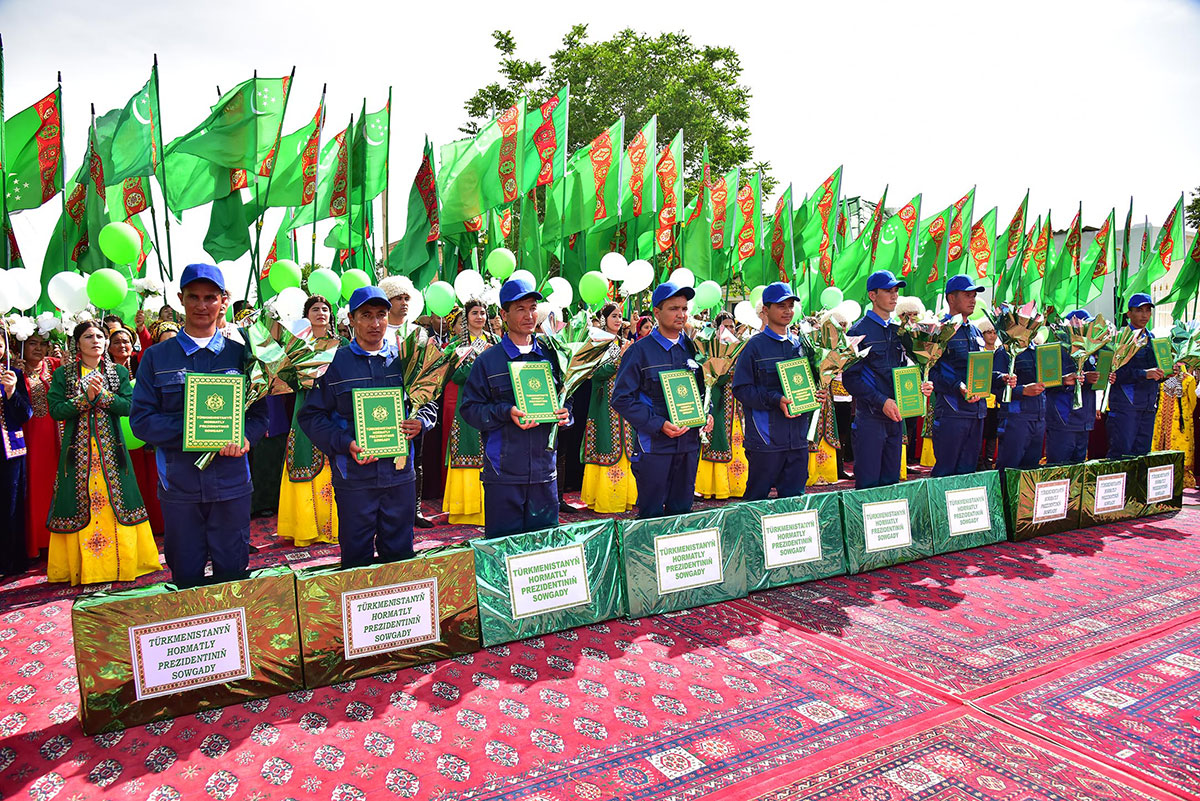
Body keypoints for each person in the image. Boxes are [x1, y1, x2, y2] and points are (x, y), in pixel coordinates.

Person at [131, 264, 269, 588]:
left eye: (210, 297)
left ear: (223, 301)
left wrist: (245, 438)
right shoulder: (156, 358)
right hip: (180, 486)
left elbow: (261, 414)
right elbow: (141, 421)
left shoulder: (244, 356)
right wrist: (195, 430)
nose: (202, 305)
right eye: (193, 297)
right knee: (186, 576)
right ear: (181, 299)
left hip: (232, 482)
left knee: (233, 574)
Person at [299, 287, 437, 567]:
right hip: (355, 477)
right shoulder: (333, 363)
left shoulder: (406, 359)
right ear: (351, 318)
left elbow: (429, 401)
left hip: (399, 476)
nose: (375, 324)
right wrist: (343, 443)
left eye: (381, 315)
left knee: (400, 554)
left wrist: (421, 422)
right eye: (366, 316)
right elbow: (311, 416)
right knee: (356, 556)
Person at [48, 321, 160, 585]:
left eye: (101, 336)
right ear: (78, 343)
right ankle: (83, 569)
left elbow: (129, 406)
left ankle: (125, 564)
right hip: (77, 457)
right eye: (89, 336)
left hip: (113, 454)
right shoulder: (63, 376)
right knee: (78, 503)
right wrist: (84, 398)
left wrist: (101, 397)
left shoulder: (117, 373)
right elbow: (56, 410)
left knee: (118, 502)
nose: (96, 340)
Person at [458, 278, 571, 538]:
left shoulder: (552, 356)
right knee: (503, 548)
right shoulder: (488, 361)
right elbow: (470, 409)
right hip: (504, 474)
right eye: (520, 309)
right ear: (503, 314)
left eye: (532, 308)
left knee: (543, 548)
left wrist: (566, 414)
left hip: (544, 472)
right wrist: (505, 412)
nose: (529, 315)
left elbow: (567, 396)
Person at [611, 282, 713, 519]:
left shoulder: (694, 348)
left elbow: (705, 388)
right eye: (673, 308)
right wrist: (657, 424)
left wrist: (707, 414)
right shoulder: (640, 351)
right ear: (656, 312)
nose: (681, 314)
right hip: (654, 446)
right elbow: (622, 398)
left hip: (688, 444)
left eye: (684, 309)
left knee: (682, 511)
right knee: (651, 514)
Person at [732, 282, 828, 500]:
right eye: (781, 306)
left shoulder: (802, 345)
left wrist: (818, 393)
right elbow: (741, 389)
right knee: (756, 499)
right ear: (765, 310)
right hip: (766, 439)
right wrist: (776, 399)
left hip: (798, 438)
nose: (787, 311)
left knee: (794, 499)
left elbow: (810, 383)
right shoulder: (754, 346)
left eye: (790, 306)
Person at [842, 271, 932, 489]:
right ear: (872, 295)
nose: (894, 296)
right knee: (869, 484)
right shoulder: (858, 331)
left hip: (897, 418)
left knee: (892, 483)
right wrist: (881, 401)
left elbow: (908, 368)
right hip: (871, 419)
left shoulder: (901, 331)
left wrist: (922, 384)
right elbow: (850, 379)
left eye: (896, 291)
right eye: (888, 291)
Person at [277, 295, 345, 546]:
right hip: (304, 409)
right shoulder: (298, 346)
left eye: (325, 309)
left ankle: (335, 527)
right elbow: (285, 380)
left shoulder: (342, 344)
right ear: (307, 315)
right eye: (315, 309)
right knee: (304, 460)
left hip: (335, 412)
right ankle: (306, 529)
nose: (320, 313)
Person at [443, 299, 499, 525]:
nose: (479, 317)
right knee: (467, 450)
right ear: (466, 318)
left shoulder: (495, 341)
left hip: (491, 406)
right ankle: (465, 511)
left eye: (483, 313)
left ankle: (492, 508)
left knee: (491, 452)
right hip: (466, 407)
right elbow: (454, 377)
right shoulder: (457, 345)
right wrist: (477, 362)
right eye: (474, 313)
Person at [581, 303, 638, 513]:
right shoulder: (597, 343)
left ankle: (625, 498)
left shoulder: (626, 343)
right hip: (603, 405)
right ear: (604, 319)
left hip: (625, 404)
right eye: (613, 316)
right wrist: (618, 360)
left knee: (626, 448)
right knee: (606, 445)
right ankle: (604, 500)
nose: (617, 319)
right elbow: (594, 373)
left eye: (619, 316)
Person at [108, 325, 164, 535]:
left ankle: (154, 525)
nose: (122, 345)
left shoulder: (141, 365)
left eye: (126, 341)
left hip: (142, 436)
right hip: (114, 433)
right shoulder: (102, 370)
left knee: (147, 479)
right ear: (109, 347)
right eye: (117, 342)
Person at [930, 274, 988, 477]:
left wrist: (1000, 379)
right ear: (951, 298)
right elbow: (931, 372)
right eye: (967, 295)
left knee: (968, 472)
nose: (973, 300)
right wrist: (958, 386)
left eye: (974, 295)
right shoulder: (939, 330)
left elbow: (982, 368)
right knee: (946, 472)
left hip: (977, 412)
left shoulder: (976, 331)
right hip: (952, 412)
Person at [696, 312, 748, 500]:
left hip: (735, 404)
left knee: (737, 443)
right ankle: (714, 488)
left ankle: (737, 487)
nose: (729, 329)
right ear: (717, 328)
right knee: (716, 439)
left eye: (732, 326)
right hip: (717, 402)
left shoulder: (739, 348)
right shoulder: (710, 347)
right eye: (725, 326)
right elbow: (710, 376)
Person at [1108, 294, 1166, 458]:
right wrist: (1144, 374)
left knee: (1142, 457)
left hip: (1148, 405)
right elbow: (1115, 375)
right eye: (1139, 310)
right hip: (1126, 406)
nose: (1144, 315)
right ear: (1129, 313)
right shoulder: (1120, 338)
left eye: (1148, 311)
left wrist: (1166, 373)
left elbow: (1157, 371)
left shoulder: (1152, 338)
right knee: (1121, 456)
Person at [19, 332, 61, 558]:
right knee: (35, 486)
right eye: (32, 343)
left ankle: (58, 538)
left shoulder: (55, 366)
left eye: (42, 344)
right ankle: (38, 542)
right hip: (30, 437)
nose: (38, 348)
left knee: (58, 482)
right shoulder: (14, 371)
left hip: (57, 434)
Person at [1044, 310, 1102, 465]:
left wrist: (1099, 378)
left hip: (1084, 421)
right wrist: (1064, 381)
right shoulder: (1055, 351)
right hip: (1063, 420)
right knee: (1058, 470)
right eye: (1084, 327)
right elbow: (1045, 384)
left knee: (1078, 471)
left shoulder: (1091, 352)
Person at [0, 336, 32, 576]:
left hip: (9, 449)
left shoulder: (13, 375)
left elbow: (26, 414)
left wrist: (11, 392)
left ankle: (11, 561)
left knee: (10, 505)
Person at [990, 334, 1044, 469]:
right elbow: (993, 387)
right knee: (1008, 469)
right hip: (1015, 418)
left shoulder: (1039, 351)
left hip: (1039, 418)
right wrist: (1022, 391)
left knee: (1031, 472)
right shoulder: (1005, 352)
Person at [1151, 362, 1197, 487]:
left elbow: (1192, 403)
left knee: (1180, 446)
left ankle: (1180, 480)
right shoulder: (1163, 377)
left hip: (1180, 421)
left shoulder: (1188, 379)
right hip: (1162, 418)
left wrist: (1183, 415)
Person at [978, 320, 1000, 468]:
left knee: (993, 432)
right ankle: (978, 461)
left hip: (997, 399)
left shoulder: (1001, 352)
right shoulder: (979, 351)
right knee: (980, 432)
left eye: (994, 332)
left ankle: (989, 461)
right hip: (982, 398)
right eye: (988, 332)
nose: (992, 336)